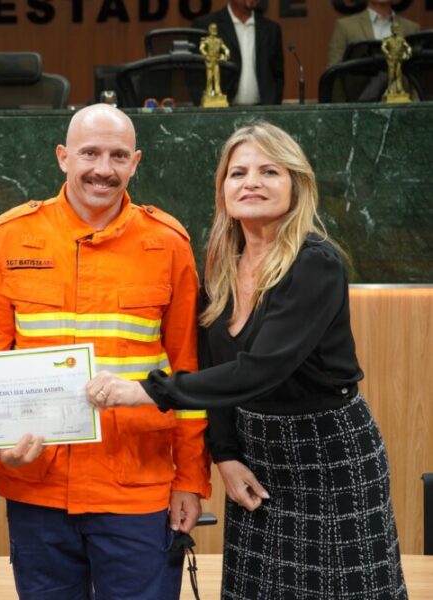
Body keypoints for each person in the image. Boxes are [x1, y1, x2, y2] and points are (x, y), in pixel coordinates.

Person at [86, 121, 407, 599]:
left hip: (328, 456)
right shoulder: (218, 266)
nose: (251, 182)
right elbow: (216, 370)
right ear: (223, 190)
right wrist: (227, 454)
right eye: (238, 173)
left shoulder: (315, 261)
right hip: (256, 456)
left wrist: (145, 390)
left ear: (296, 185)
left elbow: (259, 370)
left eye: (269, 171)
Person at [0, 104, 211, 599]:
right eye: (90, 153)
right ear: (63, 157)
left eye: (118, 155)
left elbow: (190, 373)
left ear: (136, 162)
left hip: (137, 488)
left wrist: (190, 478)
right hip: (37, 482)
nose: (104, 168)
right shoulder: (8, 237)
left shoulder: (168, 244)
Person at [193, 0, 284, 105]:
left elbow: (278, 75)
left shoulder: (271, 29)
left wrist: (273, 106)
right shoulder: (206, 25)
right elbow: (194, 75)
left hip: (262, 113)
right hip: (221, 112)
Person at [328, 0, 420, 65]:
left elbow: (418, 74)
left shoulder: (412, 28)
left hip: (401, 91)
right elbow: (335, 73)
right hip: (361, 92)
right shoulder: (345, 26)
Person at [201, 23, 232, 99]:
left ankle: (218, 92)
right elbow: (201, 48)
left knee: (217, 78)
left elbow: (225, 48)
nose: (214, 30)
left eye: (215, 29)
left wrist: (227, 53)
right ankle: (209, 93)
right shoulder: (206, 40)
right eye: (212, 29)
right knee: (209, 78)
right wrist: (206, 55)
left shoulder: (219, 41)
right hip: (209, 61)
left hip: (216, 60)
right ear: (209, 30)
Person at [382, 20, 413, 96]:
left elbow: (408, 47)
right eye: (394, 28)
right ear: (391, 29)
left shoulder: (401, 39)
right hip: (391, 59)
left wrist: (407, 53)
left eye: (396, 28)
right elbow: (383, 47)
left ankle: (400, 89)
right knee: (391, 75)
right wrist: (387, 53)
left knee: (399, 75)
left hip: (399, 59)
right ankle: (390, 89)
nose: (395, 30)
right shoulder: (388, 39)